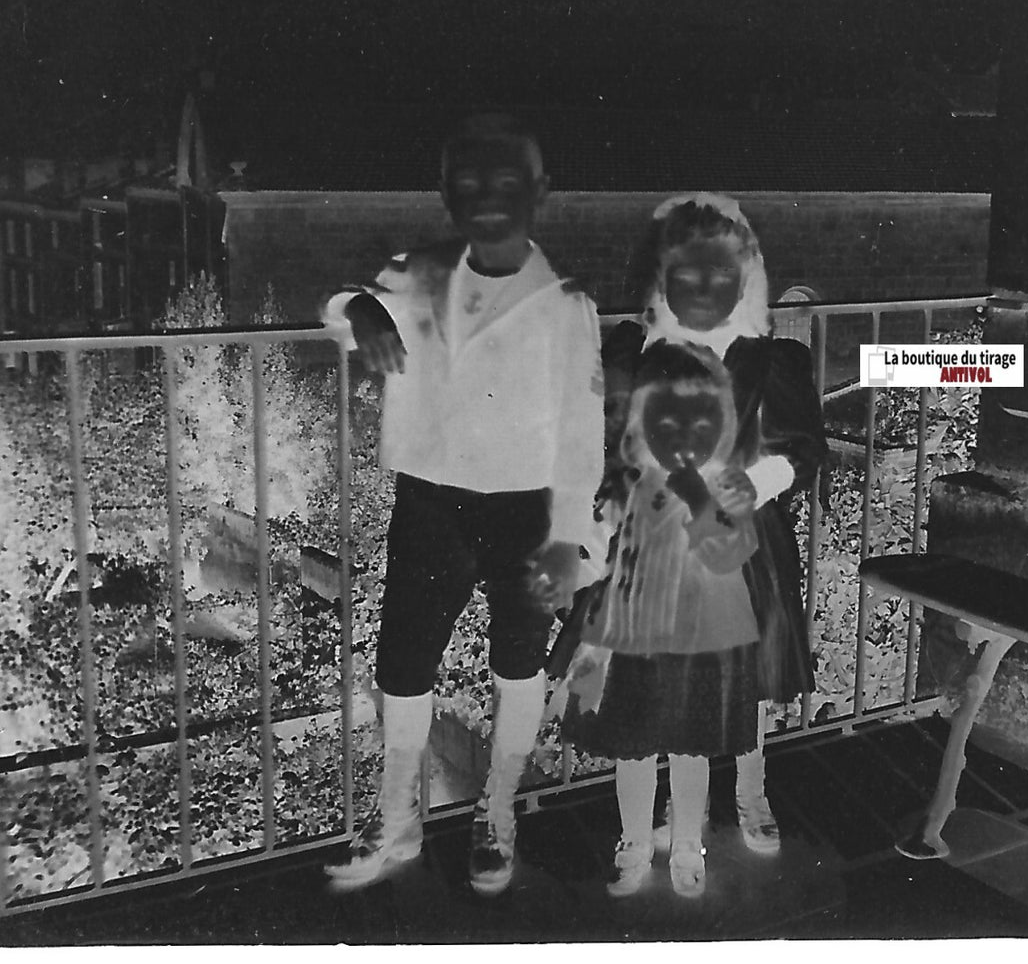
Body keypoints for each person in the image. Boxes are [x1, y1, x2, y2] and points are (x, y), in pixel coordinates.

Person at [321, 114, 604, 896]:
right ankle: (397, 814)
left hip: (527, 512)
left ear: (539, 192)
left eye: (508, 185)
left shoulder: (563, 302)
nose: (488, 200)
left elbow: (582, 435)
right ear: (446, 193)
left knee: (518, 664)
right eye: (470, 185)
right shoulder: (415, 272)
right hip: (430, 502)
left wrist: (569, 541)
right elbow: (338, 304)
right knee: (404, 664)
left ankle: (498, 811)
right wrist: (359, 310)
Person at [600, 192, 827, 856]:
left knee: (745, 671)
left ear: (745, 279)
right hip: (660, 544)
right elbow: (610, 443)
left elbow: (804, 450)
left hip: (744, 540)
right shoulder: (638, 350)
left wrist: (759, 480)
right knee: (665, 676)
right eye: (687, 276)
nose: (704, 290)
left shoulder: (768, 357)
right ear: (662, 278)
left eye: (721, 276)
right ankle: (665, 815)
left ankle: (749, 790)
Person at [560, 344, 762, 898]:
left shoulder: (726, 486)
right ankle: (633, 842)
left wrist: (701, 504)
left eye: (700, 422)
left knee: (690, 748)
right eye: (667, 422)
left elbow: (731, 552)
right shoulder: (627, 484)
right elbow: (596, 554)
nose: (684, 436)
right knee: (634, 747)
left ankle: (689, 844)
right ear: (643, 424)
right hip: (633, 642)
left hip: (698, 646)